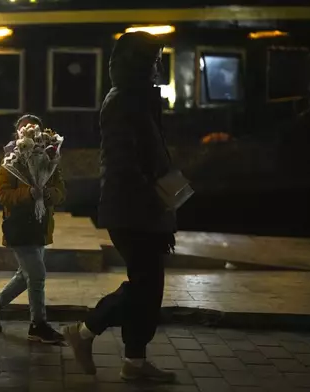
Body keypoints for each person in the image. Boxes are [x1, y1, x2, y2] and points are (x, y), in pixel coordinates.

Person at [62, 32, 177, 383]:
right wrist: (158, 196)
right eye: (154, 60)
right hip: (132, 208)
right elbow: (126, 163)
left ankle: (135, 361)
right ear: (138, 63)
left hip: (144, 206)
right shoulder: (124, 101)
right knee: (144, 284)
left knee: (149, 285)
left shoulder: (138, 98)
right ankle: (84, 331)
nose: (159, 67)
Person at [0, 114, 66, 344]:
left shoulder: (48, 160)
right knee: (36, 274)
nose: (31, 134)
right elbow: (3, 195)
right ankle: (38, 324)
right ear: (17, 135)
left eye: (35, 131)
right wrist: (28, 193)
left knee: (24, 275)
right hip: (20, 227)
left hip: (40, 226)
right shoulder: (10, 163)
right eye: (25, 130)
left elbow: (60, 190)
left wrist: (47, 194)